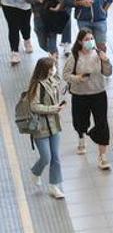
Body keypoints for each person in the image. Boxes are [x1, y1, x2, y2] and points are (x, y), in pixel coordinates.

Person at [63, 29, 112, 169]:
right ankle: (81, 137)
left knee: (102, 123)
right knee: (80, 121)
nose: (90, 41)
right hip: (80, 94)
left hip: (98, 93)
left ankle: (103, 156)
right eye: (86, 39)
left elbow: (108, 73)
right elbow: (65, 75)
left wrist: (106, 61)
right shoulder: (74, 57)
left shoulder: (98, 54)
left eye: (91, 38)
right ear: (80, 42)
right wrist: (77, 78)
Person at [26, 57, 66, 199]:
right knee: (46, 157)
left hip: (54, 124)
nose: (54, 69)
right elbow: (33, 106)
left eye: (54, 66)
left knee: (56, 156)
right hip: (40, 126)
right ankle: (35, 172)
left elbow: (61, 87)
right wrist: (52, 108)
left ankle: (54, 186)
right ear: (44, 69)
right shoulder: (37, 85)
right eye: (51, 67)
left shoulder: (54, 81)